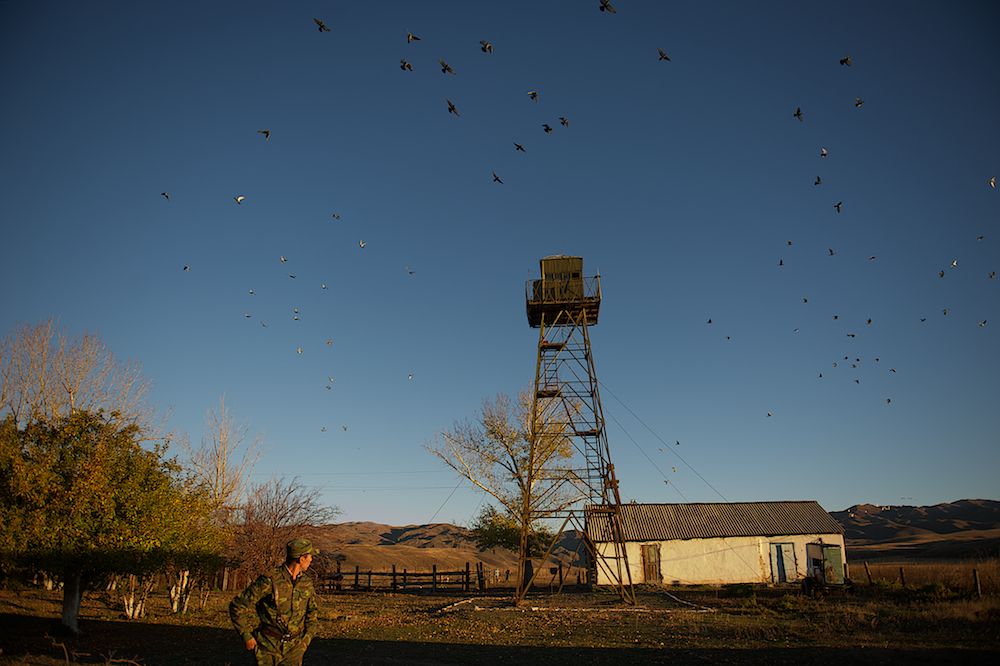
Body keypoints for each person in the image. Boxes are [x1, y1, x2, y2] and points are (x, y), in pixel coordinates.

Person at [230, 538, 321, 666]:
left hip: (294, 651)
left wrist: (305, 642)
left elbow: (312, 614)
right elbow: (238, 605)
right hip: (268, 649)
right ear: (301, 559)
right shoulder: (270, 580)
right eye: (310, 556)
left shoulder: (306, 583)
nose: (311, 560)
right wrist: (246, 636)